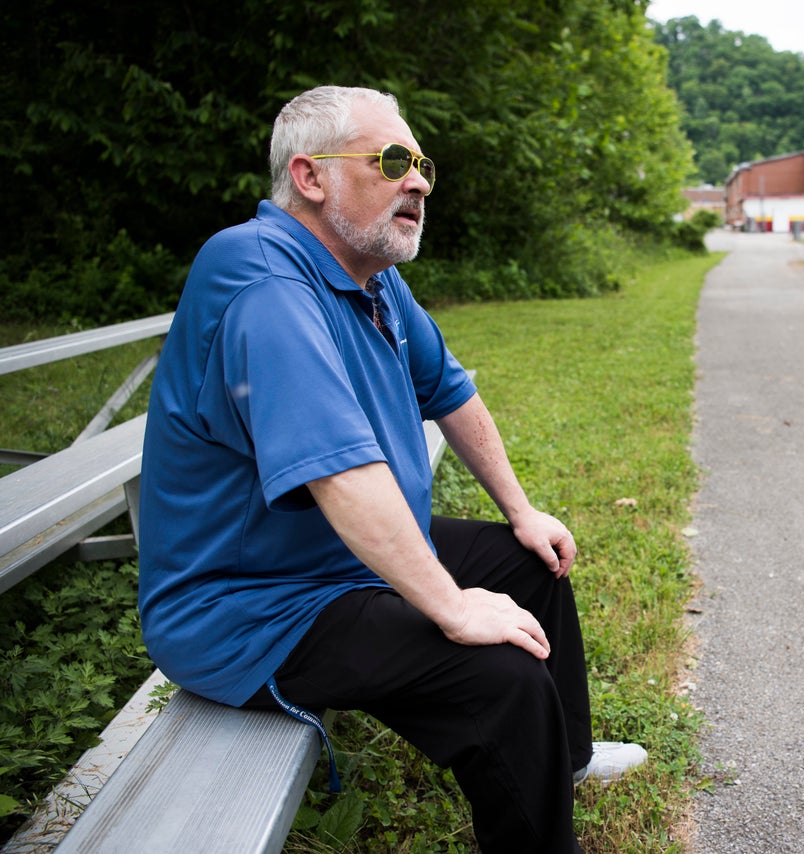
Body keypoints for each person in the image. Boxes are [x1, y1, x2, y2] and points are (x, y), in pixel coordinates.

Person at [137, 85, 645, 853]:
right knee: (499, 676)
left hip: (331, 562)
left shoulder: (373, 276)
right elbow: (340, 476)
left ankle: (564, 762)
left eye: (423, 167)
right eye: (395, 161)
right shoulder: (263, 280)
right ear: (310, 177)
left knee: (528, 561)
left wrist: (522, 509)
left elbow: (452, 392)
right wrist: (449, 605)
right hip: (254, 606)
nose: (419, 182)